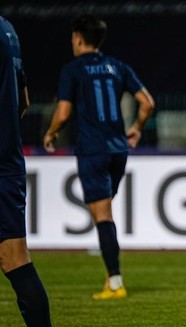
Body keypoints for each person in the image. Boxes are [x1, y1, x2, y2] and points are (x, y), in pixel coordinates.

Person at [43, 14, 155, 299]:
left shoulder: (73, 69)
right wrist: (136, 129)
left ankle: (115, 282)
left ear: (79, 38)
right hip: (119, 150)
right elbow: (147, 103)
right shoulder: (117, 66)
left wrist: (51, 132)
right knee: (103, 213)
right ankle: (111, 271)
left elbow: (64, 112)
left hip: (93, 149)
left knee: (102, 216)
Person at [0, 16, 65, 327]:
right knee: (15, 259)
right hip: (7, 163)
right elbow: (23, 101)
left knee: (14, 260)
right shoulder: (8, 31)